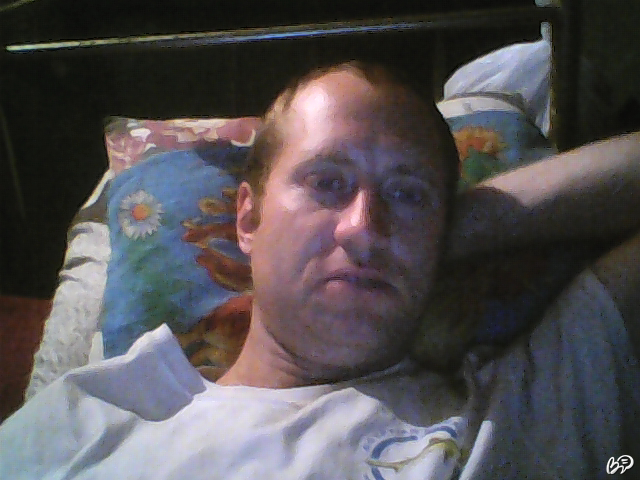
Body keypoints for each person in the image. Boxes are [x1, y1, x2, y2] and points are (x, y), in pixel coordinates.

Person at [1, 62, 639, 479]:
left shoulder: (523, 407)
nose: (364, 226)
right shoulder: (93, 422)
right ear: (248, 219)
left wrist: (466, 227)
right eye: (328, 181)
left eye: (407, 194)